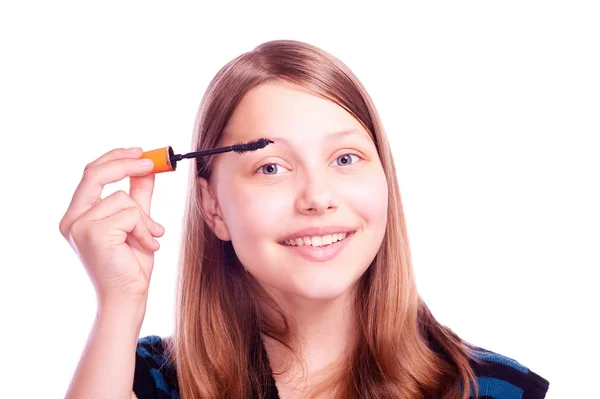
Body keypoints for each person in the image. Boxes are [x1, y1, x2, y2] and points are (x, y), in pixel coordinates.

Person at [60, 40, 550, 399]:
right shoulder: (143, 379)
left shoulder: (494, 390)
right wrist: (120, 303)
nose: (317, 197)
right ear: (213, 208)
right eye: (271, 167)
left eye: (344, 159)